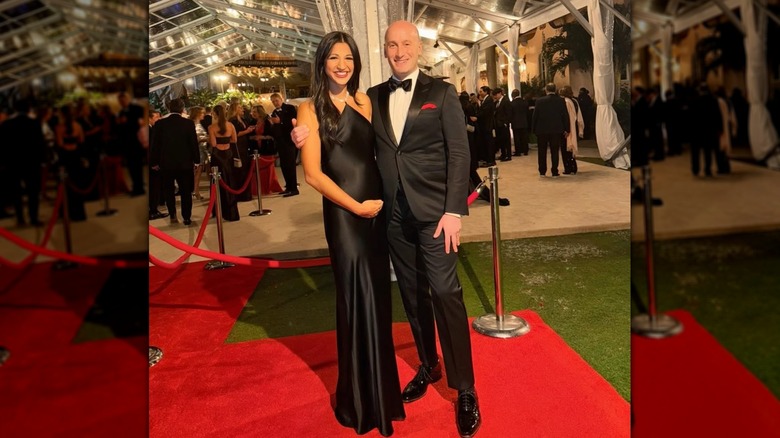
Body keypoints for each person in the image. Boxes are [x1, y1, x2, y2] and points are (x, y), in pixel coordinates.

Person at [293, 20, 481, 438]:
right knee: (412, 296)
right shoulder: (370, 98)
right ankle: (428, 364)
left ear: (419, 47)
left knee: (446, 293)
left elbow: (459, 154)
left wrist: (454, 210)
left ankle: (464, 387)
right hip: (390, 216)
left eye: (407, 44)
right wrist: (298, 133)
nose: (399, 51)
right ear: (384, 49)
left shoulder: (442, 93)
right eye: (392, 45)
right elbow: (339, 138)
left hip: (436, 215)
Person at [296, 30, 405, 437]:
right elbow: (312, 174)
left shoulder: (365, 101)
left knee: (377, 299)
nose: (342, 65)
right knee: (353, 298)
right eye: (334, 58)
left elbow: (386, 150)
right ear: (322, 62)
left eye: (349, 58)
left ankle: (382, 395)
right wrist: (355, 206)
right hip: (345, 217)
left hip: (376, 214)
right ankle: (357, 400)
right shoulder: (310, 109)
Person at [149, 98, 200, 226]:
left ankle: (172, 215)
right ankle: (186, 217)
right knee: (186, 191)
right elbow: (193, 144)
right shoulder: (188, 123)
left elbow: (155, 145)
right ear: (182, 109)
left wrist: (154, 161)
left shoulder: (160, 124)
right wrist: (197, 160)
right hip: (185, 163)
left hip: (166, 163)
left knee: (168, 190)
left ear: (168, 108)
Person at [206, 105, 240, 222]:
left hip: (217, 156)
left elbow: (214, 144)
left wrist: (209, 140)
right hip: (228, 154)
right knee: (229, 180)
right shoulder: (230, 125)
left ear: (214, 114)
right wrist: (226, 141)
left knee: (217, 182)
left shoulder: (211, 127)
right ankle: (231, 210)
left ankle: (217, 210)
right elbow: (235, 140)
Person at [531, 83, 569, 177]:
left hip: (542, 129)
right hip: (556, 129)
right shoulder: (560, 100)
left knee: (542, 151)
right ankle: (554, 171)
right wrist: (567, 129)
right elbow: (565, 115)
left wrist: (533, 129)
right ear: (555, 90)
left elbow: (535, 116)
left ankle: (542, 171)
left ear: (546, 90)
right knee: (555, 150)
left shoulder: (539, 101)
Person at [269, 93, 299, 197]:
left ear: (281, 99)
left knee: (290, 165)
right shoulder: (274, 112)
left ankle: (294, 188)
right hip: (280, 142)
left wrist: (280, 121)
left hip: (289, 141)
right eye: (273, 101)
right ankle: (288, 186)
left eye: (276, 100)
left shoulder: (290, 108)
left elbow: (294, 122)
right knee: (284, 165)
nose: (275, 103)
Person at [559, 85, 584, 175]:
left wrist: (566, 129)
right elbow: (579, 115)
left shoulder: (565, 102)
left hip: (568, 127)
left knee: (565, 148)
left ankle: (568, 168)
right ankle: (574, 166)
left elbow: (566, 117)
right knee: (571, 148)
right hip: (575, 126)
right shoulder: (574, 101)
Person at [492, 88, 512, 161]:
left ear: (500, 93)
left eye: (496, 95)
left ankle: (508, 155)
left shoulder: (506, 101)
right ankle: (503, 154)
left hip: (503, 124)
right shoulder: (497, 102)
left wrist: (506, 123)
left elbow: (509, 113)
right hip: (498, 124)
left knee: (506, 140)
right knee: (501, 140)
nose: (495, 96)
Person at [509, 89, 529, 156]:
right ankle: (525, 150)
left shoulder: (512, 103)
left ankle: (518, 151)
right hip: (524, 122)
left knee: (517, 138)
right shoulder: (524, 102)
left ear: (513, 95)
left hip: (515, 123)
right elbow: (527, 112)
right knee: (524, 137)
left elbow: (510, 114)